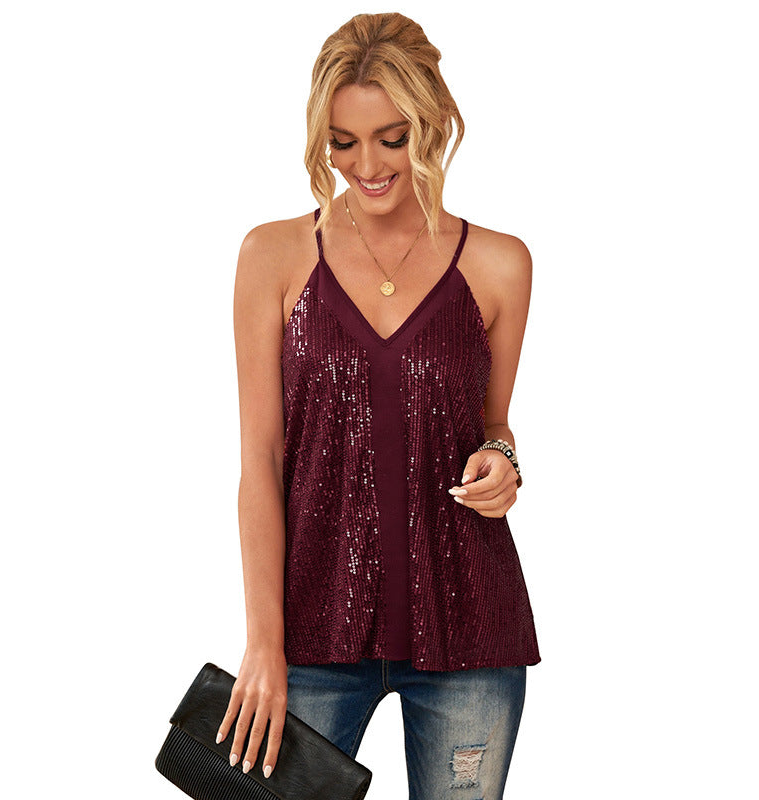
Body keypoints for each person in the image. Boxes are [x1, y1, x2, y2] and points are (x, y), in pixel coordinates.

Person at [215, 12, 540, 800]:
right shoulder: (274, 256)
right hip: (311, 636)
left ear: (433, 123)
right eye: (342, 142)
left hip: (470, 633)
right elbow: (261, 458)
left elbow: (491, 425)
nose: (366, 165)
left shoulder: (499, 264)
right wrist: (263, 642)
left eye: (392, 139)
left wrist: (502, 462)